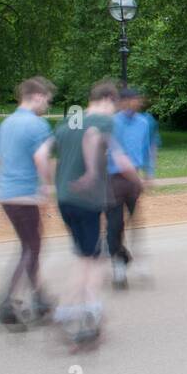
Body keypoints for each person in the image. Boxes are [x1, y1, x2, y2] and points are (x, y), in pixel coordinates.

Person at [35, 79, 140, 344]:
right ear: (108, 100)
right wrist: (135, 180)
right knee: (92, 258)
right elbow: (118, 157)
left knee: (86, 254)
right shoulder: (104, 123)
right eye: (114, 106)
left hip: (65, 201)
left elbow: (41, 154)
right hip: (88, 200)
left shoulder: (68, 122)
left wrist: (49, 184)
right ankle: (80, 310)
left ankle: (82, 308)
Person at [0, 77, 56, 328]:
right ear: (37, 96)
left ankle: (39, 298)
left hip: (7, 193)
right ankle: (7, 302)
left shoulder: (5, 124)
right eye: (47, 100)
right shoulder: (38, 125)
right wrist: (47, 189)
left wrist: (0, 190)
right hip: (26, 194)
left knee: (30, 246)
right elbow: (41, 159)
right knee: (31, 248)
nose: (47, 105)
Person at [106, 88, 158, 288]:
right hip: (113, 178)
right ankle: (119, 266)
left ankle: (140, 261)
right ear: (122, 102)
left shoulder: (144, 122)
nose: (136, 103)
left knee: (136, 221)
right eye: (132, 100)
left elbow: (147, 148)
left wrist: (149, 174)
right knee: (114, 225)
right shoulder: (112, 122)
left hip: (134, 179)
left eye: (138, 100)